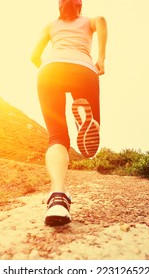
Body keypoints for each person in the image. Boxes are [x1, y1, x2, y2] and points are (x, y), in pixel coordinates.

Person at [31, 0, 107, 226]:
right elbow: (101, 21)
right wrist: (101, 58)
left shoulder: (50, 26)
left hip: (51, 70)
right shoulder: (88, 21)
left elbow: (34, 56)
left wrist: (51, 68)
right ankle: (84, 117)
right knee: (94, 124)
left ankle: (57, 197)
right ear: (79, 5)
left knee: (56, 137)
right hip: (83, 69)